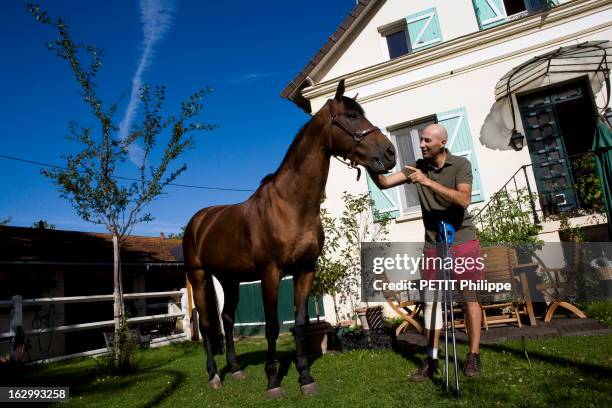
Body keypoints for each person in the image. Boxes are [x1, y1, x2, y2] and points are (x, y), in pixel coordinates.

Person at [368, 123, 483, 381]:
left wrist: (427, 182)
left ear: (442, 143)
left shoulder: (460, 165)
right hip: (432, 244)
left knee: (469, 299)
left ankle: (473, 355)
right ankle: (431, 359)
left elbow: (464, 200)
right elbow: (385, 182)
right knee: (431, 303)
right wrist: (369, 163)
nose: (421, 145)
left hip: (462, 240)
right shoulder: (417, 168)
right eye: (421, 140)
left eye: (427, 141)